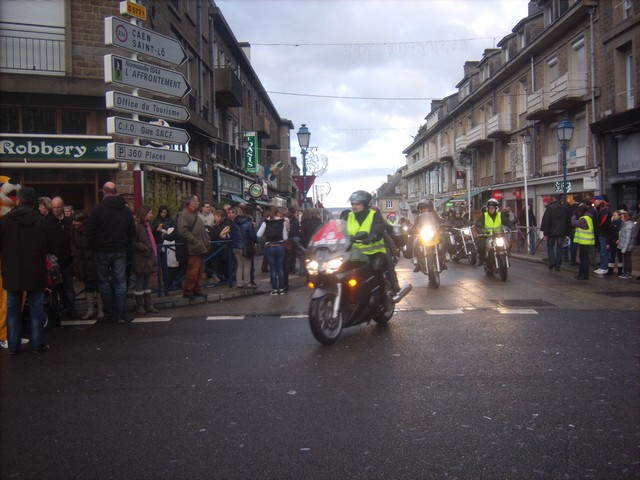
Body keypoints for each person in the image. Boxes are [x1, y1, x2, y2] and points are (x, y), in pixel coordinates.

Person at [0, 187, 51, 354]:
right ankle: (38, 343)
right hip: (35, 269)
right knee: (36, 308)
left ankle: (13, 345)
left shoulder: (5, 221)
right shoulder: (41, 221)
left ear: (18, 200)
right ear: (33, 202)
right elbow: (48, 245)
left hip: (12, 270)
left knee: (12, 310)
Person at [87, 181, 136, 324]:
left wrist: (94, 246)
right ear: (116, 191)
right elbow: (131, 232)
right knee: (120, 283)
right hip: (119, 249)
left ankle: (109, 313)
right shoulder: (125, 210)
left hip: (102, 250)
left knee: (104, 283)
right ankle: (121, 315)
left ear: (104, 192)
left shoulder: (98, 209)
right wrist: (125, 245)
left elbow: (90, 230)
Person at [346, 190, 400, 295]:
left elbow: (378, 228)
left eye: (358, 204)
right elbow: (341, 229)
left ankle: (383, 293)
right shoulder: (349, 216)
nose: (354, 206)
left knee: (376, 268)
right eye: (353, 204)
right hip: (355, 253)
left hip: (374, 252)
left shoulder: (374, 215)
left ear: (365, 204)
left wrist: (372, 237)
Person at [45, 196, 80, 323]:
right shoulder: (47, 221)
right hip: (53, 261)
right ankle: (54, 313)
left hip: (67, 259)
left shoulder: (69, 221)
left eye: (58, 207)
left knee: (68, 286)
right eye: (53, 207)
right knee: (53, 289)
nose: (55, 209)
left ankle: (71, 310)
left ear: (63, 206)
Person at [177, 195, 211, 301]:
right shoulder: (184, 215)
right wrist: (194, 241)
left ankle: (197, 289)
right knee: (193, 271)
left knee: (200, 270)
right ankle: (188, 291)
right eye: (196, 201)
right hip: (194, 247)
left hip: (200, 246)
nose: (198, 203)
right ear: (191, 203)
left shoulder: (195, 214)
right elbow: (183, 231)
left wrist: (207, 240)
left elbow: (201, 230)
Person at [70, 210, 101, 320]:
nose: (74, 223)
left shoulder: (90, 230)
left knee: (97, 285)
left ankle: (101, 310)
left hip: (92, 261)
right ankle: (90, 310)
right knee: (88, 286)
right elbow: (72, 243)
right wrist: (75, 254)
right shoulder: (74, 230)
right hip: (81, 262)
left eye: (76, 221)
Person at [132, 205, 159, 314]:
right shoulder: (137, 227)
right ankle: (140, 305)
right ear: (144, 214)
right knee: (140, 283)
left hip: (148, 259)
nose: (152, 215)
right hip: (140, 259)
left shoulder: (148, 226)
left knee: (147, 283)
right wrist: (144, 248)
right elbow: (132, 242)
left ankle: (148, 305)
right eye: (150, 213)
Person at [257, 206, 288, 295]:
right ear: (277, 212)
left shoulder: (266, 222)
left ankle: (274, 289)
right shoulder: (282, 222)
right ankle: (281, 289)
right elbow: (285, 237)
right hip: (280, 246)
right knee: (280, 268)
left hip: (269, 246)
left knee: (273, 269)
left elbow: (259, 234)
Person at [475, 198, 513, 266]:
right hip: (487, 236)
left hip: (499, 235)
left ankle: (506, 257)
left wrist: (512, 226)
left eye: (492, 208)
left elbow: (506, 221)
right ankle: (481, 259)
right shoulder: (484, 215)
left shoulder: (500, 215)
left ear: (496, 208)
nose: (491, 209)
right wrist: (480, 230)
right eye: (489, 208)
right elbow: (478, 224)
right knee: (481, 246)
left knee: (509, 244)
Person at [411, 200, 447, 272]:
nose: (424, 210)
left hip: (433, 232)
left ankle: (445, 256)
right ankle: (416, 260)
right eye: (422, 208)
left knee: (443, 238)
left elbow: (440, 221)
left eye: (426, 208)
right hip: (423, 233)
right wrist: (411, 229)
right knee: (415, 242)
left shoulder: (434, 214)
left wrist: (444, 223)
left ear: (430, 208)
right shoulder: (419, 216)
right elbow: (414, 225)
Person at [539, 193, 570, 271]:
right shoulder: (565, 208)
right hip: (562, 232)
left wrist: (545, 233)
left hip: (551, 232)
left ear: (554, 199)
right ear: (561, 199)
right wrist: (567, 232)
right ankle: (558, 265)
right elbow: (568, 220)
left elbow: (546, 221)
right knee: (560, 248)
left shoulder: (550, 208)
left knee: (550, 246)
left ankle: (552, 261)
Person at [230, 205, 257, 289]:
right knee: (247, 265)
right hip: (245, 247)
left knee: (239, 265)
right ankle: (247, 283)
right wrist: (256, 241)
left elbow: (231, 234)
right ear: (249, 214)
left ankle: (239, 283)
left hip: (235, 246)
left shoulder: (234, 222)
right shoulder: (249, 223)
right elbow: (252, 236)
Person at [571, 203, 594, 280]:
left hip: (585, 241)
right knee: (582, 257)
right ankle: (581, 274)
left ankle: (584, 274)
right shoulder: (587, 217)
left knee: (584, 258)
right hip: (584, 240)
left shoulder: (585, 218)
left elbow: (574, 223)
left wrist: (574, 216)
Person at [593, 195, 612, 275]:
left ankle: (604, 267)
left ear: (600, 201)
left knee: (604, 251)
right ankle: (603, 266)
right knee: (602, 250)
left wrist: (599, 228)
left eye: (595, 200)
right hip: (602, 232)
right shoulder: (601, 209)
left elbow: (603, 222)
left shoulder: (604, 210)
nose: (594, 202)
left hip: (604, 233)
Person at [616, 210, 634, 279]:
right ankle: (626, 272)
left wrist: (624, 248)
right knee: (626, 259)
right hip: (625, 245)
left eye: (622, 217)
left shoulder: (628, 226)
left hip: (627, 246)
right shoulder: (624, 225)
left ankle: (628, 272)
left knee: (627, 260)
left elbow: (628, 239)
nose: (621, 219)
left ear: (626, 218)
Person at [605, 210, 623, 277]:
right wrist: (608, 243)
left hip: (619, 242)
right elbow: (609, 234)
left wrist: (619, 240)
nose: (614, 216)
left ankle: (620, 271)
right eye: (613, 215)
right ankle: (610, 270)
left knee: (619, 257)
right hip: (612, 242)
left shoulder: (621, 224)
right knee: (611, 256)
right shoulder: (611, 224)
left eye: (615, 215)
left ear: (619, 216)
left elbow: (622, 234)